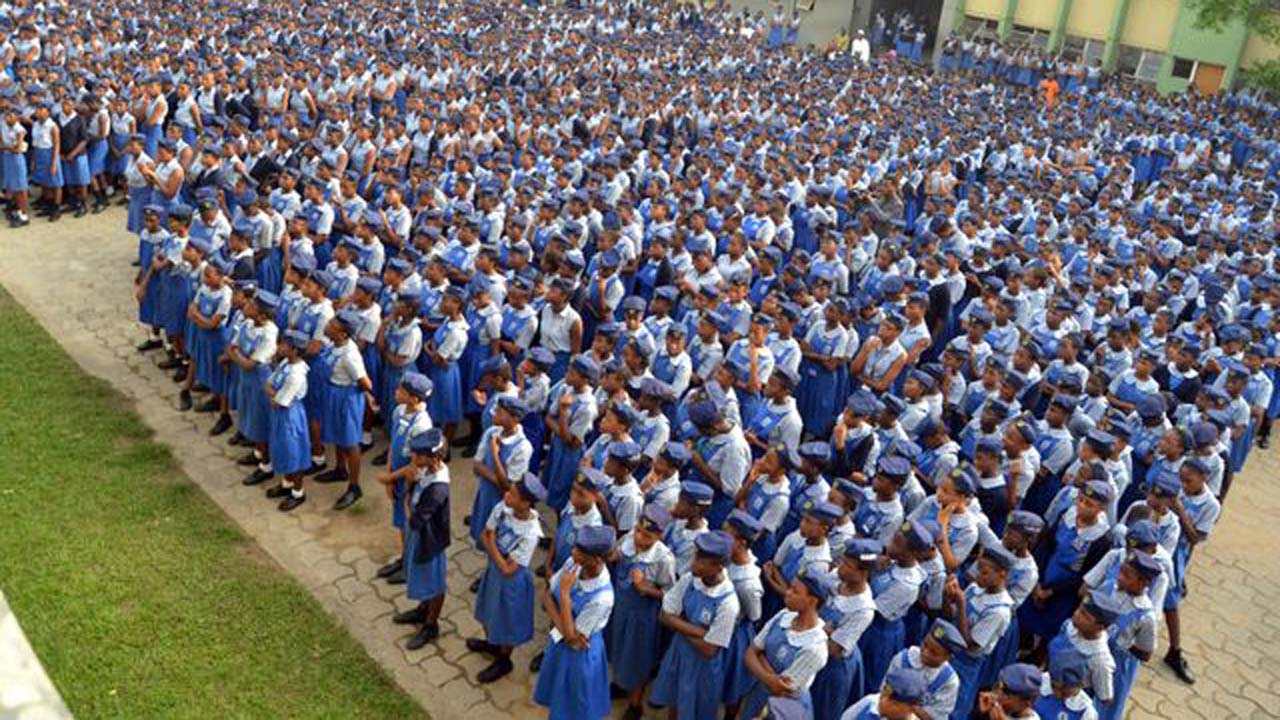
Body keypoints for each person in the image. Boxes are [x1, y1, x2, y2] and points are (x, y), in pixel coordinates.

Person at [650, 530, 741, 719]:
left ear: (718, 566)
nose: (693, 562)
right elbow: (664, 615)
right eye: (695, 555)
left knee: (695, 710)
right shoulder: (690, 579)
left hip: (703, 668)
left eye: (701, 559)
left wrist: (679, 623)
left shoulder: (727, 603)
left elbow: (709, 650)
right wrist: (700, 632)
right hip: (679, 654)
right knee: (673, 701)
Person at [532, 524, 617, 720]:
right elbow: (546, 596)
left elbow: (573, 639)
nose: (573, 552)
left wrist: (564, 595)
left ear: (595, 560)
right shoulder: (573, 563)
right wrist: (566, 627)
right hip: (562, 644)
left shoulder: (602, 598)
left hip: (581, 657)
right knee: (558, 696)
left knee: (575, 705)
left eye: (580, 550)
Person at [470, 472, 546, 682]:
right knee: (488, 611)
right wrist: (494, 546)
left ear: (525, 503)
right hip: (494, 573)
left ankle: (504, 659)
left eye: (512, 493)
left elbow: (508, 569)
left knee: (507, 621)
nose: (506, 494)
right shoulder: (503, 507)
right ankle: (492, 643)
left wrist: (492, 542)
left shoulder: (531, 533)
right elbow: (484, 535)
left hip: (512, 584)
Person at [609, 504, 677, 719]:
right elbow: (618, 552)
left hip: (642, 617)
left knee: (638, 657)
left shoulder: (664, 559)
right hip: (620, 608)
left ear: (659, 536)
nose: (639, 537)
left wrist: (647, 588)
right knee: (619, 647)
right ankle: (620, 683)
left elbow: (670, 593)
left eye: (646, 535)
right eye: (638, 530)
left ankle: (635, 702)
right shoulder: (629, 539)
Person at [389, 428, 451, 649]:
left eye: (418, 455)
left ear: (433, 459)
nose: (413, 459)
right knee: (423, 575)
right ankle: (423, 609)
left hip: (430, 540)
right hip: (420, 536)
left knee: (435, 582)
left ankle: (431, 624)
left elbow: (415, 520)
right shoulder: (426, 469)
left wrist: (407, 495)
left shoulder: (438, 489)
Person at [264, 330, 313, 511]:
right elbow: (268, 384)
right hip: (282, 411)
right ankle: (286, 483)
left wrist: (273, 396)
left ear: (294, 350)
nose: (280, 347)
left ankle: (298, 492)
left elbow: (279, 402)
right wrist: (274, 395)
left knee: (294, 452)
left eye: (284, 345)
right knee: (281, 448)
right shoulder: (286, 363)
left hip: (290, 415)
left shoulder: (296, 374)